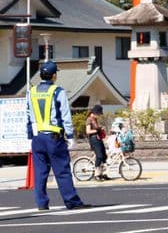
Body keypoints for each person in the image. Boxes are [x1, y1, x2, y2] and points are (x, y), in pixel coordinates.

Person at [26, 61, 90, 210]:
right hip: (54, 138)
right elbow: (65, 116)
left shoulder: (32, 92)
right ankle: (72, 201)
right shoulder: (58, 91)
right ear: (54, 75)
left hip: (37, 138)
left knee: (40, 172)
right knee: (62, 171)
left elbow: (28, 115)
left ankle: (42, 204)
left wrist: (29, 136)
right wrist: (70, 136)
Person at [85, 104, 109, 181]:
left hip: (98, 139)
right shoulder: (89, 119)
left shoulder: (95, 120)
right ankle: (96, 175)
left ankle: (102, 174)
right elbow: (88, 131)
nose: (99, 115)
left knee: (104, 156)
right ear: (95, 113)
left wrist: (100, 129)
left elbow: (97, 128)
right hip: (94, 139)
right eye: (99, 114)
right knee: (99, 156)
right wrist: (97, 130)